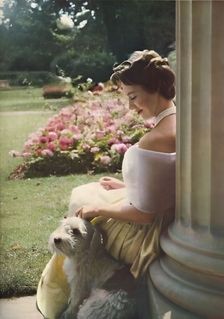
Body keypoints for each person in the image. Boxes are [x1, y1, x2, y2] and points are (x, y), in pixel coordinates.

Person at [36, 49, 176, 319]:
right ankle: (81, 289)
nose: (131, 107)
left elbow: (145, 215)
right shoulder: (177, 121)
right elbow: (169, 184)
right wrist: (125, 187)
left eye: (133, 97)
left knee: (82, 210)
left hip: (146, 230)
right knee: (86, 197)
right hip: (156, 210)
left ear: (156, 86)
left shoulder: (157, 137)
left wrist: (98, 210)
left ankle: (70, 298)